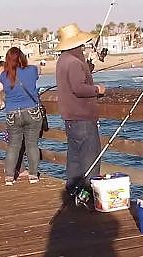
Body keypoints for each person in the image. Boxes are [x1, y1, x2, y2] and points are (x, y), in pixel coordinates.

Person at [55, 23, 106, 201]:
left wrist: (87, 69)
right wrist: (97, 89)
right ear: (77, 44)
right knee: (91, 158)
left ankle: (72, 191)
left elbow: (73, 82)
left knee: (75, 158)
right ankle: (88, 196)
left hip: (70, 118)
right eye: (82, 45)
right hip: (83, 117)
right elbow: (78, 88)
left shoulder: (63, 60)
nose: (83, 47)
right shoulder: (75, 62)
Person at [0, 47, 42, 186]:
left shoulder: (4, 75)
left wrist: (2, 104)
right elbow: (39, 69)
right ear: (22, 58)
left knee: (13, 146)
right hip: (32, 111)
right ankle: (33, 176)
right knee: (32, 145)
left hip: (12, 113)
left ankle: (9, 177)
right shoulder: (31, 70)